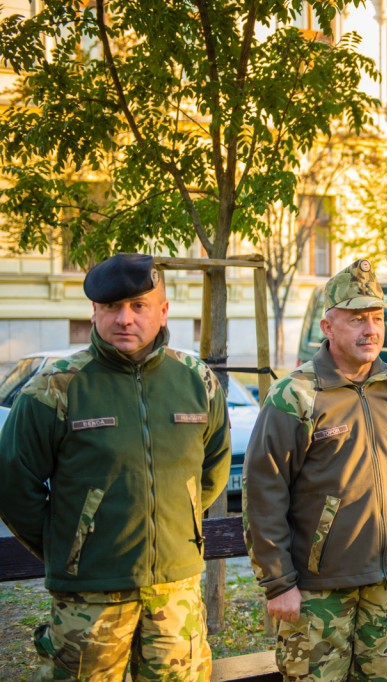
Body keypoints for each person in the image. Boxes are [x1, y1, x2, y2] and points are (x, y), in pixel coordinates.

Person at [0, 253, 231, 680]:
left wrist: (177, 521)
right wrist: (72, 545)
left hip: (175, 592)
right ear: (94, 311)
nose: (125, 319)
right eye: (111, 307)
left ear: (163, 311)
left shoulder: (196, 381)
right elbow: (13, 484)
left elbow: (214, 466)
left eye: (139, 306)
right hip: (89, 598)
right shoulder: (56, 387)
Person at [244, 258, 387, 681]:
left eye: (376, 318)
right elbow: (263, 493)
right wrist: (278, 583)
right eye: (356, 319)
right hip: (317, 592)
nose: (370, 329)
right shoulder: (295, 395)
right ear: (328, 327)